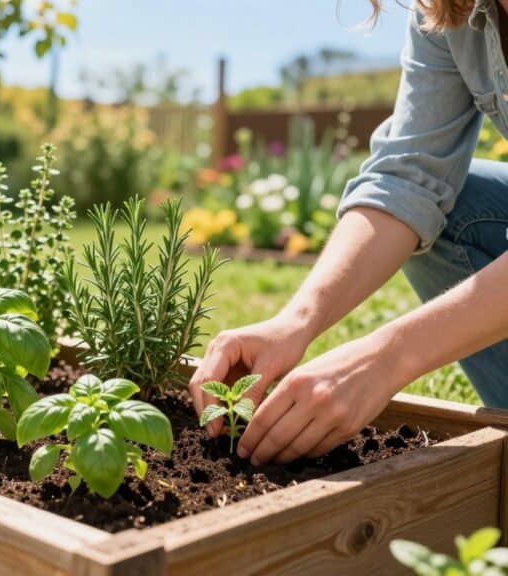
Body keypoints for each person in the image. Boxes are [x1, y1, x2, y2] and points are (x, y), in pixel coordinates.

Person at [189, 0, 508, 466]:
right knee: (457, 205)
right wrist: (295, 322)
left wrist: (386, 358)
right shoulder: (449, 11)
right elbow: (408, 179)